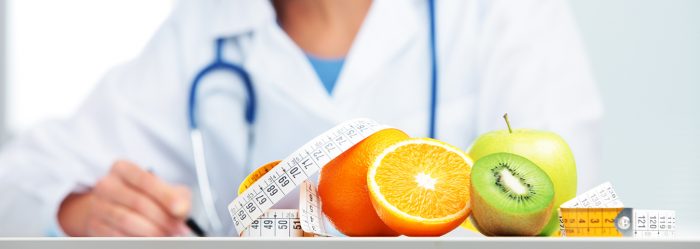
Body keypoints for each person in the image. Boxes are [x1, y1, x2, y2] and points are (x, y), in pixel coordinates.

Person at [0, 0, 602, 236]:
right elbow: (19, 176)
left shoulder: (506, 16)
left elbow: (572, 218)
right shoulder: (202, 33)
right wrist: (74, 212)